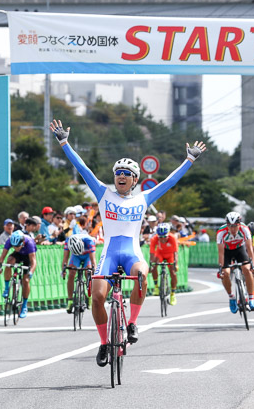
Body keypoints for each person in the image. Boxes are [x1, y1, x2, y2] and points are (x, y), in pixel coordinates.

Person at [50, 118, 206, 368]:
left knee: (141, 275)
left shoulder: (144, 198)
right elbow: (84, 170)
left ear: (135, 180)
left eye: (127, 175)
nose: (121, 177)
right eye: (118, 173)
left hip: (132, 253)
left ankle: (132, 322)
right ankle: (103, 343)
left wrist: (189, 160)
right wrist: (64, 143)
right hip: (109, 253)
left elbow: (169, 182)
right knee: (98, 296)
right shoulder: (103, 193)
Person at [217, 212, 254, 313]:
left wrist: (252, 264)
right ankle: (231, 297)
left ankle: (251, 298)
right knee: (226, 273)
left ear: (239, 224)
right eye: (230, 226)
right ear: (227, 225)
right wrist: (221, 268)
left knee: (247, 269)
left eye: (235, 226)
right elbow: (221, 253)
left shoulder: (244, 229)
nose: (232, 229)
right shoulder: (221, 232)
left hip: (240, 249)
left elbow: (249, 248)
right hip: (227, 251)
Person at [0, 227, 37, 318]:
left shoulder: (29, 243)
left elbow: (33, 261)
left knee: (25, 281)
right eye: (14, 246)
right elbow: (2, 256)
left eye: (17, 246)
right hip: (18, 256)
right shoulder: (10, 241)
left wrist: (31, 272)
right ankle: (7, 288)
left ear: (22, 243)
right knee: (9, 262)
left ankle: (24, 306)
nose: (16, 248)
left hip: (28, 256)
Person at [61, 233, 97, 313]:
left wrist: (94, 272)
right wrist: (63, 270)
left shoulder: (89, 241)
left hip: (87, 255)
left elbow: (93, 260)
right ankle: (70, 301)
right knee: (71, 273)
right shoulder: (68, 241)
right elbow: (65, 258)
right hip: (76, 256)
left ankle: (90, 297)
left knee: (88, 272)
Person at [149, 223, 179, 305]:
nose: (162, 239)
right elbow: (152, 252)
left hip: (170, 255)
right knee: (154, 266)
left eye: (164, 237)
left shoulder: (173, 238)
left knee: (173, 273)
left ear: (168, 234)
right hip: (160, 254)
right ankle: (156, 287)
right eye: (160, 237)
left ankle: (173, 294)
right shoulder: (154, 238)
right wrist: (151, 263)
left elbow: (176, 252)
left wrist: (176, 264)